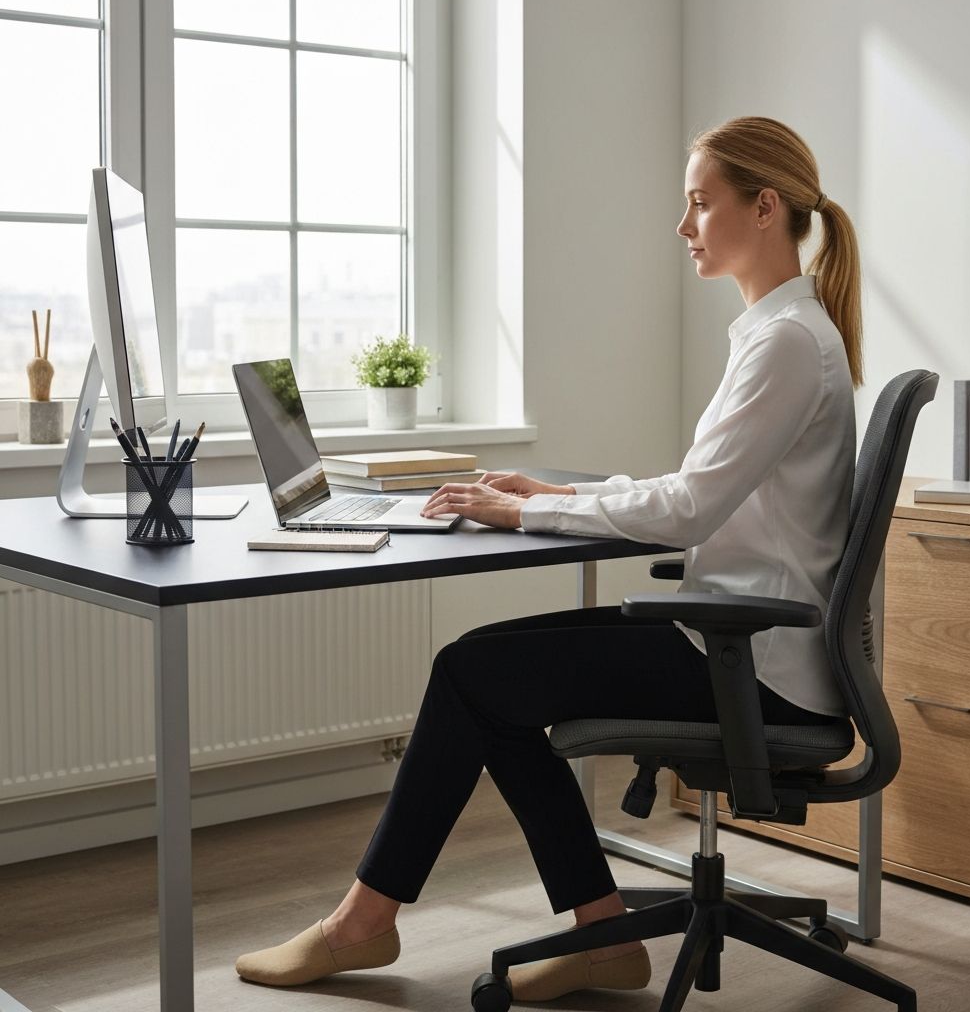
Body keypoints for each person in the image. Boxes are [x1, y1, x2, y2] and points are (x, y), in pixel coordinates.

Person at [235, 115, 862, 1003]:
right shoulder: (780, 335)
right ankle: (596, 933)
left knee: (470, 675)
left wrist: (522, 513)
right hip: (733, 638)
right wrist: (549, 496)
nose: (683, 227)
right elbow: (697, 487)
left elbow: (689, 510)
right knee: (481, 677)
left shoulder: (788, 343)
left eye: (698, 204)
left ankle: (364, 926)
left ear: (763, 209)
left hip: (748, 662)